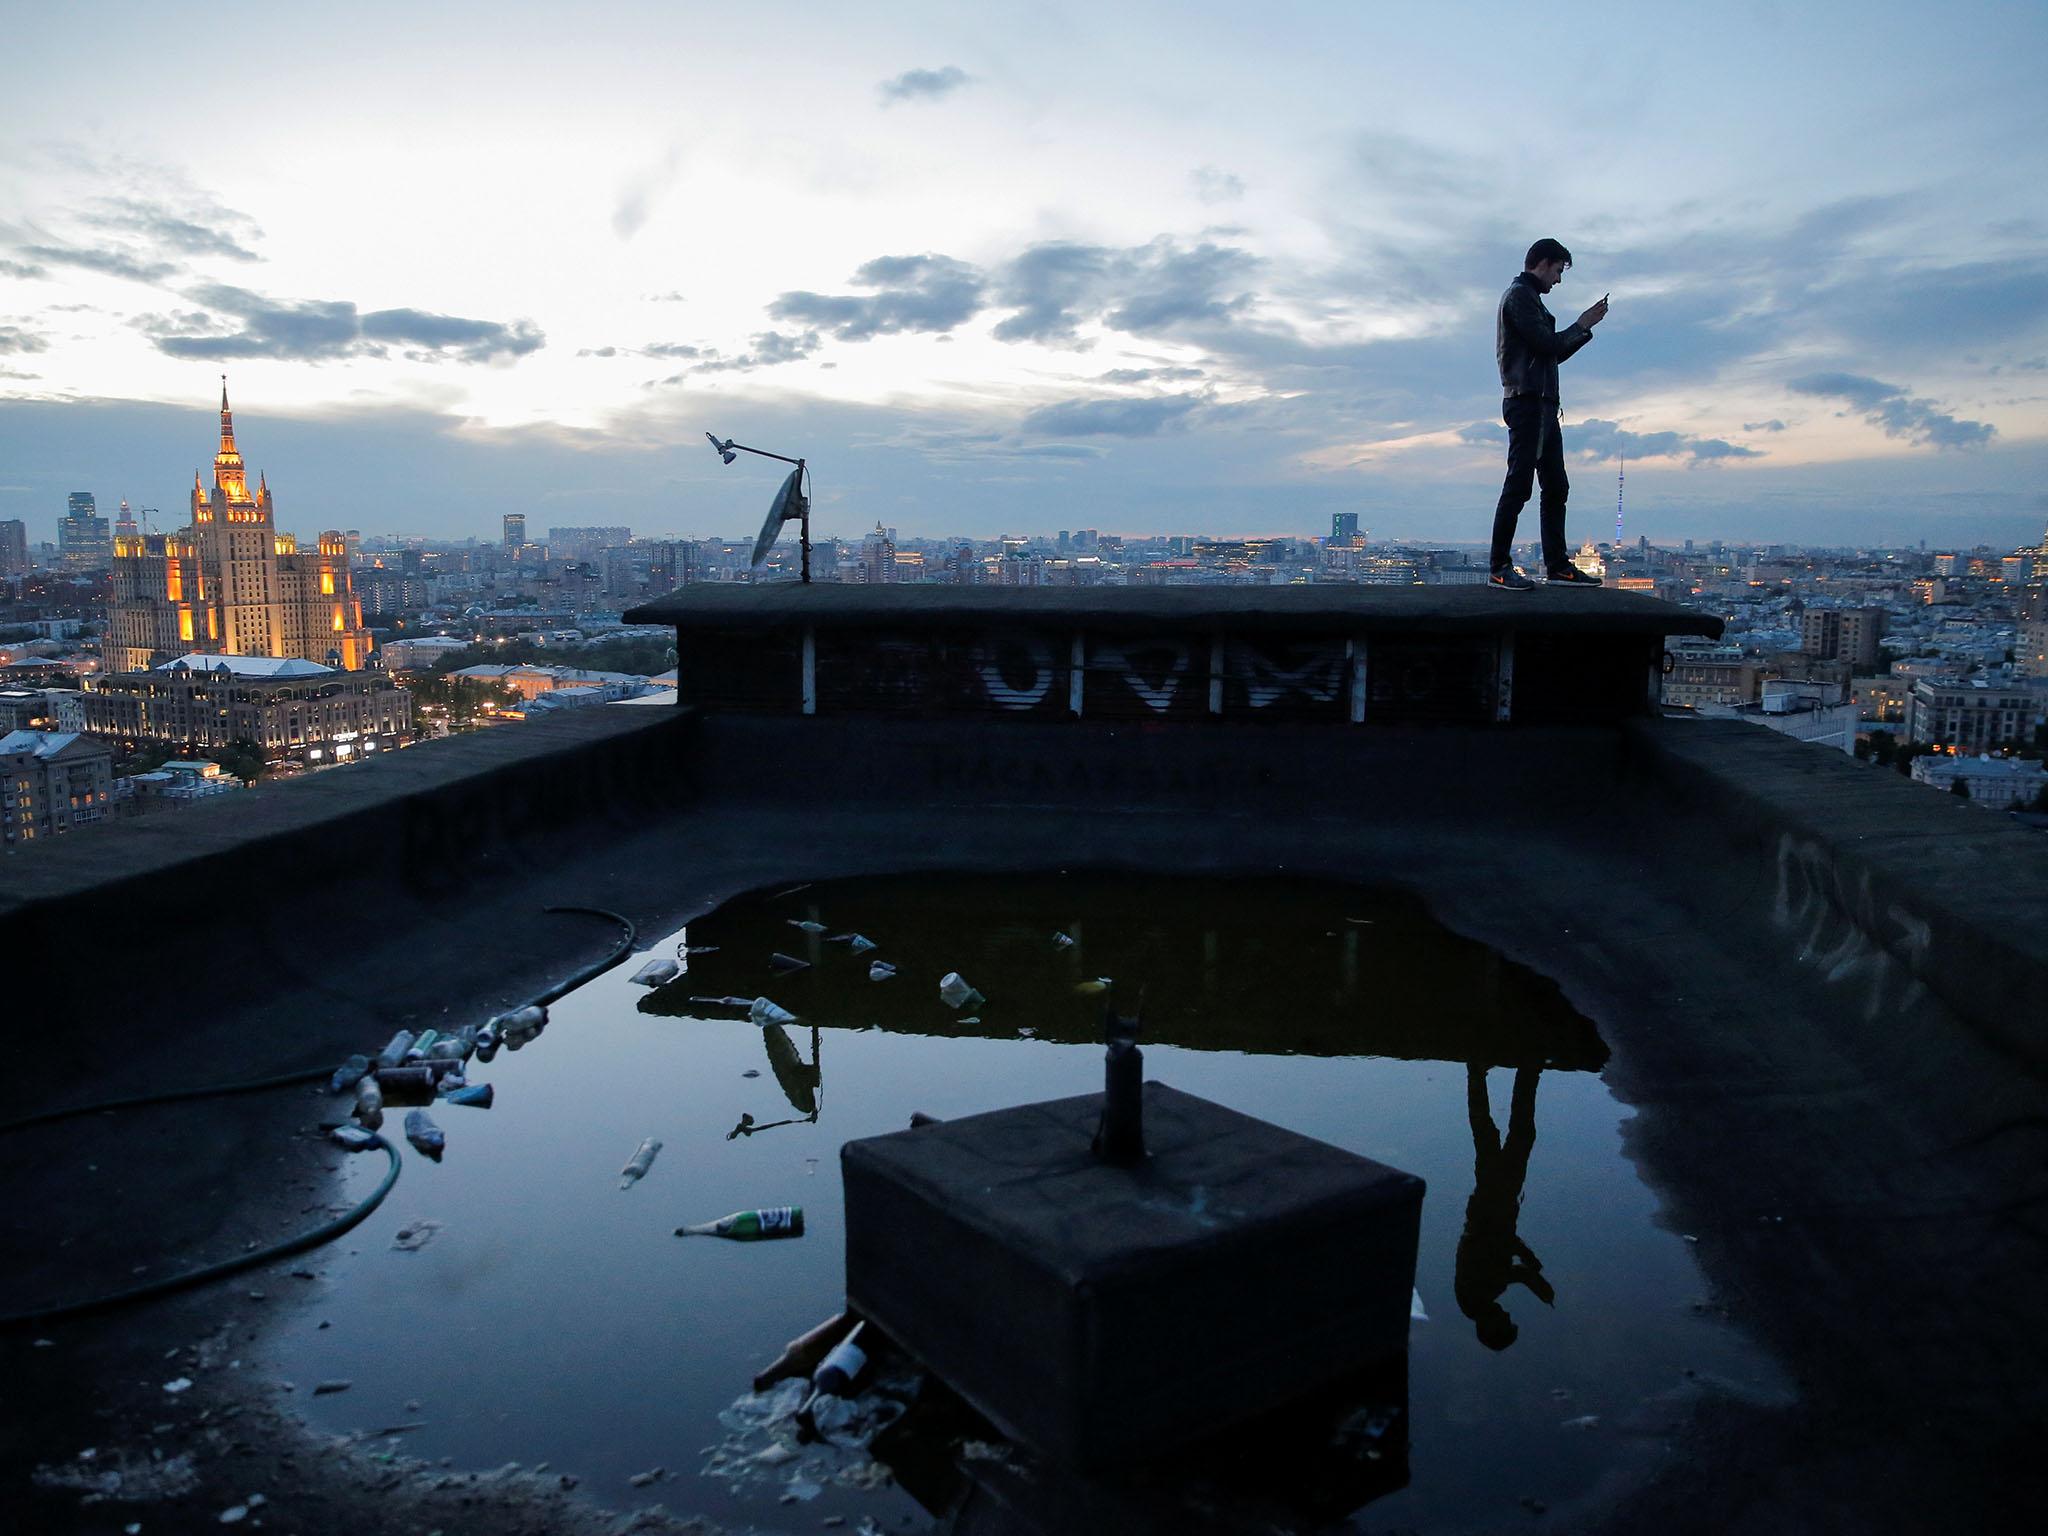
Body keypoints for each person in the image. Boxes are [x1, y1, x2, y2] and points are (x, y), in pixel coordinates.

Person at [1489, 238, 1608, 591]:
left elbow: (1549, 352)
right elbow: (1548, 346)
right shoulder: (1520, 298)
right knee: (1520, 485)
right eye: (1557, 271)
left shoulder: (1528, 300)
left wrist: (1582, 328)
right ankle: (1499, 568)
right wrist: (1583, 324)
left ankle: (1558, 567)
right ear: (1542, 263)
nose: (1558, 280)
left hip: (1539, 405)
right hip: (1528, 404)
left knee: (1555, 485)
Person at [1454, 1062, 1554, 1351]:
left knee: (1510, 1136)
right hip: (1492, 1208)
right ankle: (1487, 1073)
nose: (1508, 1315)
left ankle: (1524, 1070)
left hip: (1493, 1206)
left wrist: (1535, 1276)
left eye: (1506, 1323)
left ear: (1490, 1328)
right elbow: (1505, 1254)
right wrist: (1527, 1262)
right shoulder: (1479, 1298)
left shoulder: (1477, 1296)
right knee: (1491, 1136)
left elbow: (1506, 1259)